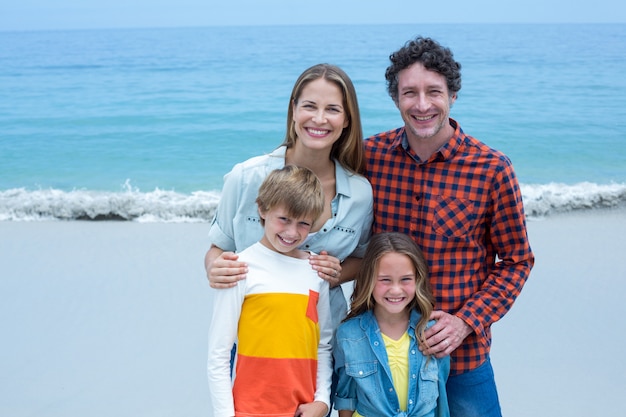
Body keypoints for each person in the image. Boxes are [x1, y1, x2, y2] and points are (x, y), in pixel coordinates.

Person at [364, 36, 535, 417]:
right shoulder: (369, 157)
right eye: (410, 93)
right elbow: (311, 187)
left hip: (462, 356)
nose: (422, 105)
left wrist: (465, 322)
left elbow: (516, 261)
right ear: (395, 99)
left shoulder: (492, 168)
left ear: (452, 96)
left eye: (434, 92)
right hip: (383, 354)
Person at [205, 63, 373, 332]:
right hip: (254, 338)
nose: (319, 119)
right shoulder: (246, 177)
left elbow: (363, 259)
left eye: (332, 109)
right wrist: (215, 269)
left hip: (324, 343)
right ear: (293, 110)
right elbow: (218, 248)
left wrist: (337, 273)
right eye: (309, 106)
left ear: (347, 119)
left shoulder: (360, 193)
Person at [207, 165, 333, 417]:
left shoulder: (315, 271)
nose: (291, 232)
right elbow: (219, 354)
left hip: (303, 410)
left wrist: (322, 401)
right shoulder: (240, 267)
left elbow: (323, 345)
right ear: (262, 208)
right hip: (249, 410)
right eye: (284, 219)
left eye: (303, 223)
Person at [333, 232, 450, 417]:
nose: (395, 290)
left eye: (405, 279)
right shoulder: (348, 334)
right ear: (369, 279)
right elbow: (346, 397)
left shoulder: (433, 332)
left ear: (417, 279)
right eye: (385, 280)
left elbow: (441, 396)